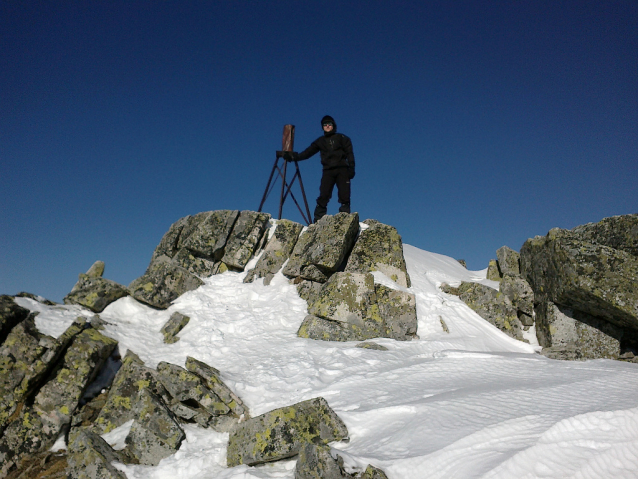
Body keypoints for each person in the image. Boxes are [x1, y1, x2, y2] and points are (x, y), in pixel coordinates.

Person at [283, 115, 355, 223]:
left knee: (344, 194)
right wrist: (294, 157)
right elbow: (308, 152)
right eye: (325, 125)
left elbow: (350, 153)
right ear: (322, 127)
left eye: (329, 124)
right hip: (328, 170)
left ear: (333, 125)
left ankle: (344, 217)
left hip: (342, 169)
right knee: (324, 194)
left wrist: (351, 167)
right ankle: (318, 218)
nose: (327, 126)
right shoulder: (320, 141)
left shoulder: (342, 138)